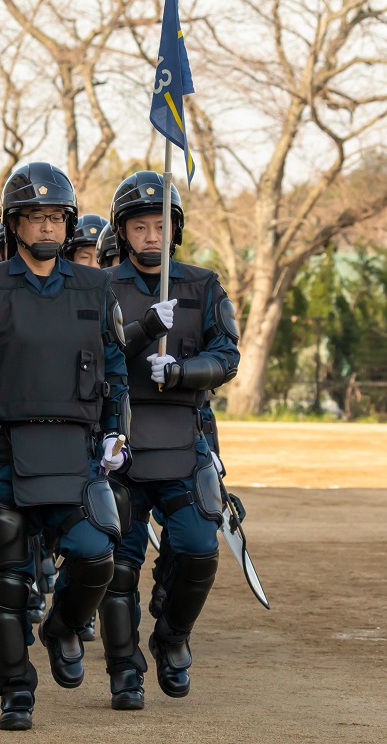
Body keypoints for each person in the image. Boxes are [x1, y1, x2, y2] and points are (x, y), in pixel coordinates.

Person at [0, 162, 131, 730]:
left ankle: (63, 627)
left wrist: (120, 430)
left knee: (96, 556)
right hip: (2, 454)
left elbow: (117, 369)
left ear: (67, 224)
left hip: (76, 452)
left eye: (55, 216)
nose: (46, 227)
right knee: (9, 582)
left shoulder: (97, 285)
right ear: (16, 225)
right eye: (35, 217)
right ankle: (15, 692)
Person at [96, 171, 240, 710]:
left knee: (200, 550)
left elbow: (227, 356)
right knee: (118, 567)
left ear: (174, 229)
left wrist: (181, 371)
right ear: (123, 232)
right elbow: (85, 361)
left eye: (161, 225)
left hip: (184, 441)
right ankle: (123, 671)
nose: (151, 237)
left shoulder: (203, 285)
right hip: (123, 446)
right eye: (140, 227)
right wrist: (131, 345)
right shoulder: (100, 287)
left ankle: (172, 636)